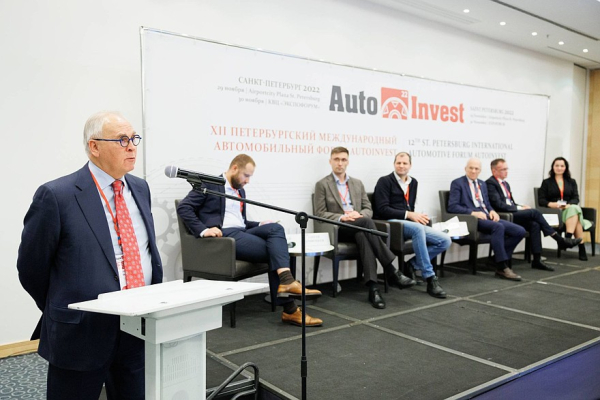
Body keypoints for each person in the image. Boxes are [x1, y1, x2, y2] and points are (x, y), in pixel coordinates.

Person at [17, 112, 163, 400]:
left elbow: (146, 251)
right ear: (94, 146)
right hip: (82, 333)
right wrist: (61, 307)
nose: (132, 147)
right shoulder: (56, 195)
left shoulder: (140, 188)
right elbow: (31, 268)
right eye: (122, 140)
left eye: (134, 138)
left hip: (137, 325)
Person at [177, 154, 323, 327]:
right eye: (246, 175)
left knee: (276, 229)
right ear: (234, 168)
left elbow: (242, 222)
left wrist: (260, 224)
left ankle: (287, 286)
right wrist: (203, 230)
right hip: (226, 237)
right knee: (277, 251)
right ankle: (290, 306)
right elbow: (184, 207)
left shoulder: (240, 190)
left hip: (242, 231)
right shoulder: (209, 184)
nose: (247, 181)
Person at [314, 146, 416, 309]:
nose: (340, 163)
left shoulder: (357, 183)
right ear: (330, 161)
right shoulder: (322, 184)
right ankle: (391, 269)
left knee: (363, 234)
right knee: (367, 224)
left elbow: (368, 208)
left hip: (359, 225)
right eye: (336, 159)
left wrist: (359, 215)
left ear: (348, 162)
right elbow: (319, 213)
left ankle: (373, 289)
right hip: (339, 228)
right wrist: (342, 217)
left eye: (343, 159)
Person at [372, 152, 451, 298]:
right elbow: (382, 210)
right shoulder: (384, 181)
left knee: (445, 240)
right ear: (394, 164)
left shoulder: (413, 182)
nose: (401, 166)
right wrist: (409, 215)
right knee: (417, 228)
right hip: (389, 223)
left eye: (405, 163)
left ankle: (412, 265)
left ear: (410, 165)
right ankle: (430, 278)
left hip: (407, 223)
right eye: (398, 163)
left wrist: (417, 216)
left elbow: (410, 207)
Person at [486, 158, 581, 271]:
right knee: (535, 212)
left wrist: (521, 206)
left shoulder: (505, 184)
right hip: (504, 215)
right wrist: (519, 208)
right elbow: (498, 205)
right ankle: (559, 239)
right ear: (494, 171)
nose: (506, 171)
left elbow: (511, 203)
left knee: (535, 224)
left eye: (507, 169)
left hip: (512, 212)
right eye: (503, 169)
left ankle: (537, 260)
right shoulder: (490, 183)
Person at [448, 158, 526, 281]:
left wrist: (492, 211)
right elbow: (452, 206)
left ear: (480, 171)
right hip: (472, 220)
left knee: (519, 231)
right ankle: (502, 267)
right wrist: (473, 213)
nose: (473, 171)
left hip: (487, 216)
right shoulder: (457, 183)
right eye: (471, 168)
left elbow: (486, 203)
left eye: (476, 169)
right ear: (465, 169)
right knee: (498, 227)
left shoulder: (482, 184)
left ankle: (495, 259)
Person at [538, 157, 591, 261]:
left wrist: (568, 205)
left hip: (568, 210)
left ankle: (567, 238)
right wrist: (553, 204)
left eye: (562, 166)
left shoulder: (571, 182)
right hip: (555, 212)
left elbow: (576, 198)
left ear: (565, 168)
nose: (559, 168)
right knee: (576, 215)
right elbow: (541, 200)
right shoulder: (546, 182)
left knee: (574, 208)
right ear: (553, 167)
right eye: (557, 165)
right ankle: (581, 247)